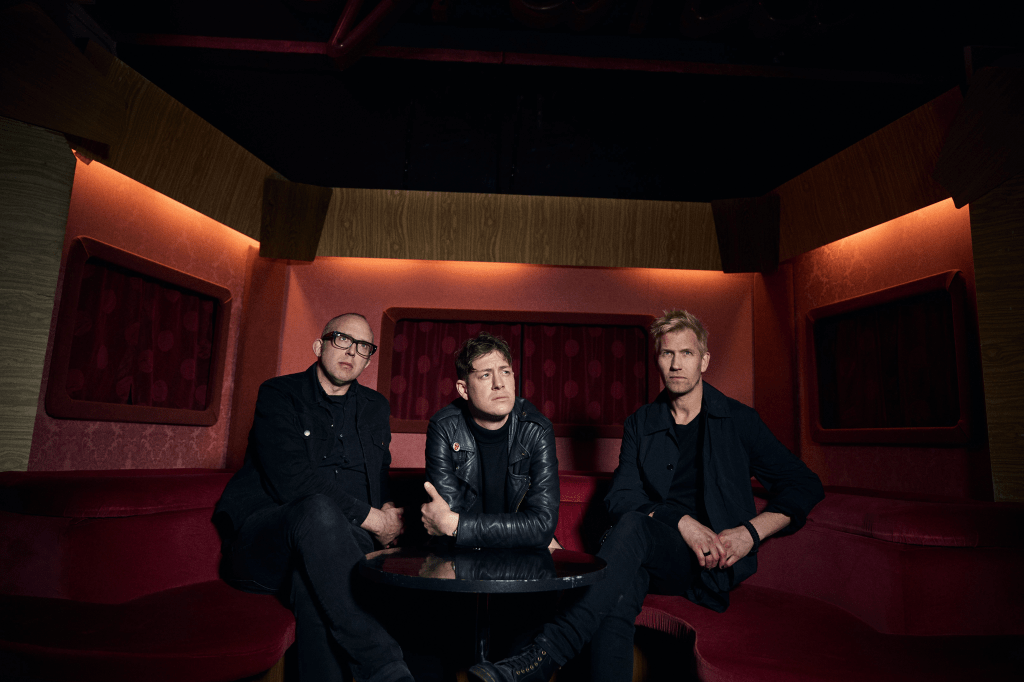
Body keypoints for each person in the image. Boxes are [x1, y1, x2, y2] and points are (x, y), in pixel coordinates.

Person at [470, 310, 825, 682]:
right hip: (652, 551)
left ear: (704, 360)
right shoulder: (641, 423)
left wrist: (750, 533)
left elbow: (805, 484)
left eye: (686, 353)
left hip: (709, 563)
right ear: (657, 360)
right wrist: (682, 522)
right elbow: (620, 498)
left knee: (628, 545)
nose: (676, 364)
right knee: (620, 588)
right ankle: (541, 659)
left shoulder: (739, 420)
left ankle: (544, 656)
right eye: (667, 353)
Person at [213, 313, 413, 682]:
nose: (351, 351)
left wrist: (387, 508)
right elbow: (293, 482)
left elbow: (377, 474)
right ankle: (385, 668)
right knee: (318, 510)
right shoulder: (279, 394)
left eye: (363, 347)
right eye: (342, 339)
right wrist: (376, 520)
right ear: (319, 346)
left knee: (315, 582)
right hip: (266, 542)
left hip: (336, 545)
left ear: (368, 360)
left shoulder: (375, 406)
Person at [420, 331, 559, 549]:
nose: (499, 383)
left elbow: (542, 525)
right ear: (464, 389)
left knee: (558, 559)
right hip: (464, 549)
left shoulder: (536, 429)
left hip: (522, 548)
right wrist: (454, 525)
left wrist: (459, 525)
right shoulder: (444, 428)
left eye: (505, 372)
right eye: (485, 375)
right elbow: (444, 522)